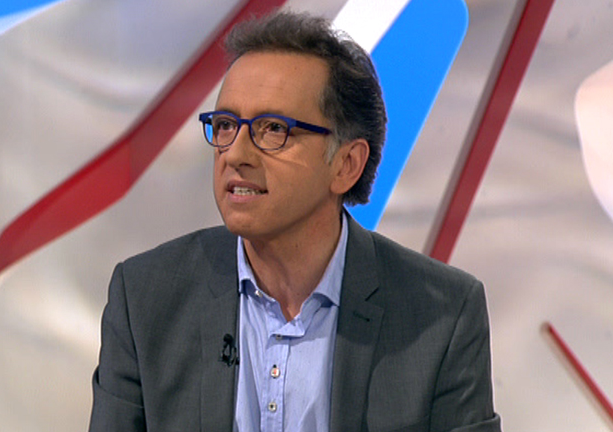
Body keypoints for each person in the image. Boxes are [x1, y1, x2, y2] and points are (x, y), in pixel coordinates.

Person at [89, 10, 501, 432]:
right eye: (226, 125)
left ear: (346, 164)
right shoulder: (146, 298)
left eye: (272, 129)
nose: (235, 154)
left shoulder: (441, 316)